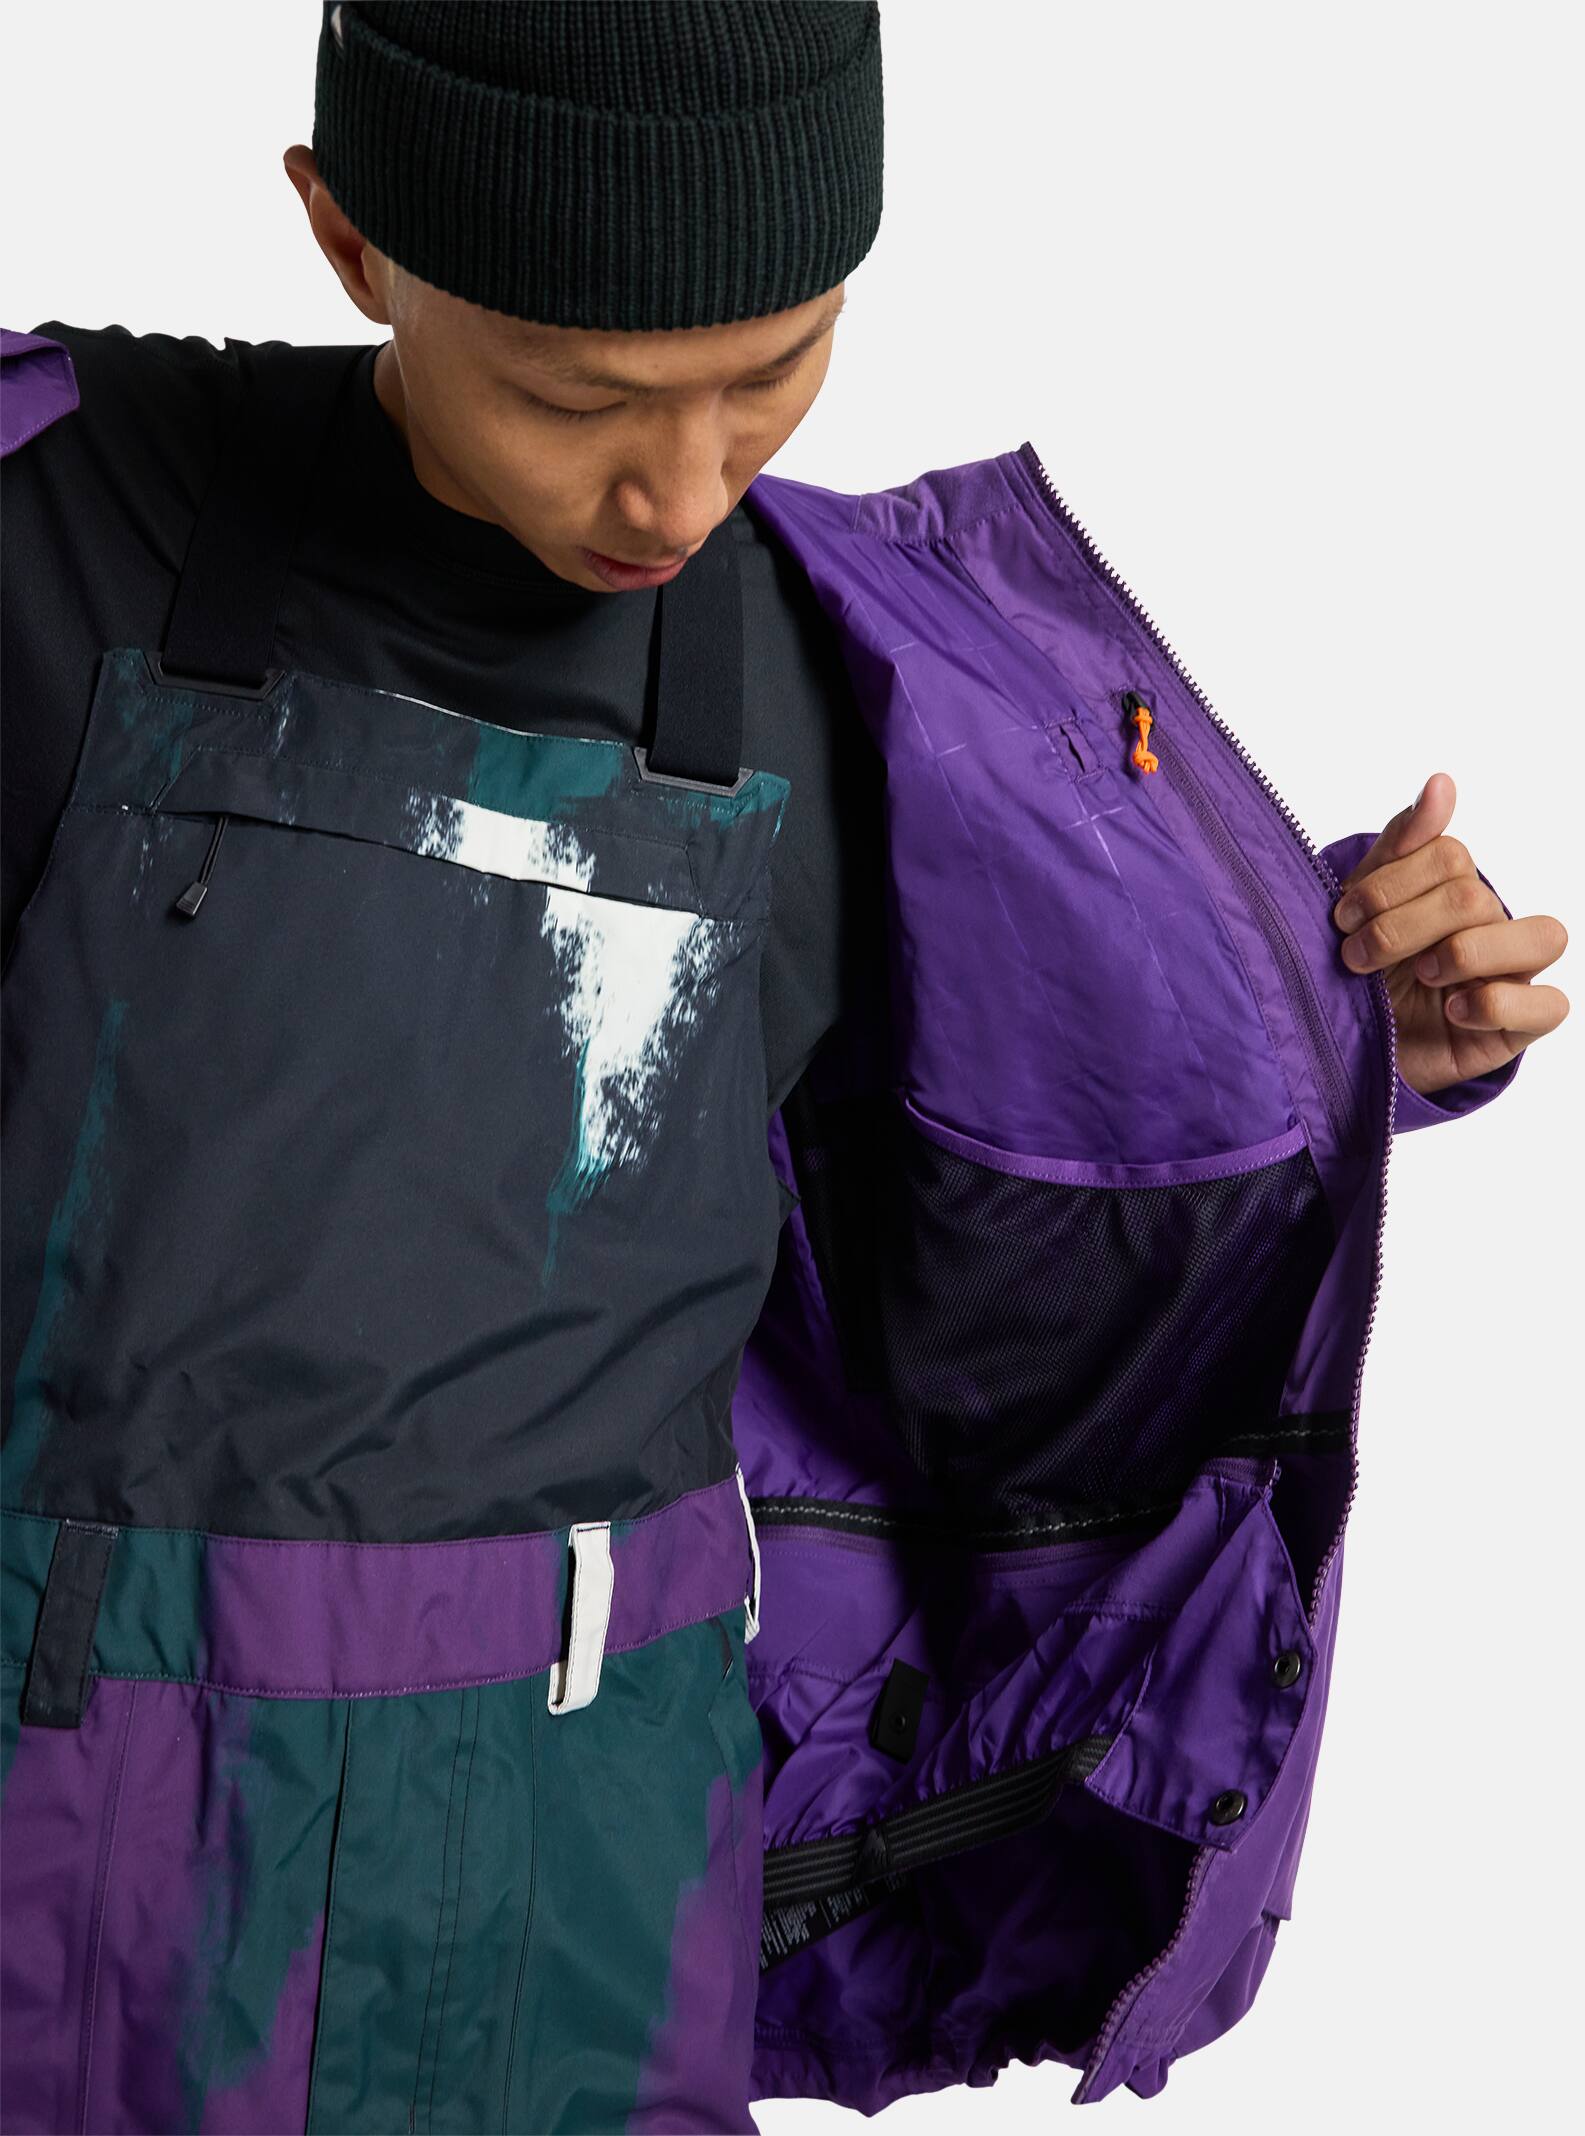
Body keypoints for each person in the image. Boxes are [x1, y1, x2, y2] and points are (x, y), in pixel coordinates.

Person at [0, 6, 1567, 2133]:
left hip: (595, 1865)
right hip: (66, 1850)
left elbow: (1002, 1170)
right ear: (349, 239)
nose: (679, 490)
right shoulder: (51, 531)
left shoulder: (866, 676)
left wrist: (1346, 1024)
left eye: (775, 368)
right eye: (575, 398)